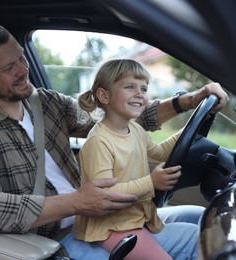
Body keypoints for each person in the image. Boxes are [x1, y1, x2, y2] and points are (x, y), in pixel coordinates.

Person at [0, 22, 229, 259]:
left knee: (200, 219)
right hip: (52, 239)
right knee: (203, 241)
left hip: (98, 218)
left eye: (22, 58)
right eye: (9, 67)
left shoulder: (45, 102)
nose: (23, 70)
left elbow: (114, 121)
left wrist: (185, 102)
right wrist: (76, 202)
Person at [74, 59, 192, 259]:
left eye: (144, 89)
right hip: (111, 227)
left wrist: (188, 129)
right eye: (130, 87)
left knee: (198, 225)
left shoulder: (135, 129)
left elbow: (160, 153)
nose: (140, 94)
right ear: (104, 95)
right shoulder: (99, 142)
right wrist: (151, 182)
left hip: (133, 218)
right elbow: (104, 195)